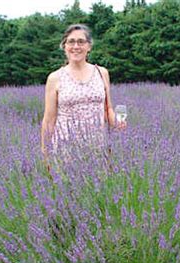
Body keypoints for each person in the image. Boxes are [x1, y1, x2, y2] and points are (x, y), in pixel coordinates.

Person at [41, 23, 125, 163]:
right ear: (64, 46)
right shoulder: (55, 78)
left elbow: (107, 108)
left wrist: (116, 121)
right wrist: (45, 154)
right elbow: (49, 120)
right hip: (65, 149)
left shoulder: (102, 73)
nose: (76, 46)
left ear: (89, 46)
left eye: (81, 42)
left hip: (98, 147)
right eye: (71, 42)